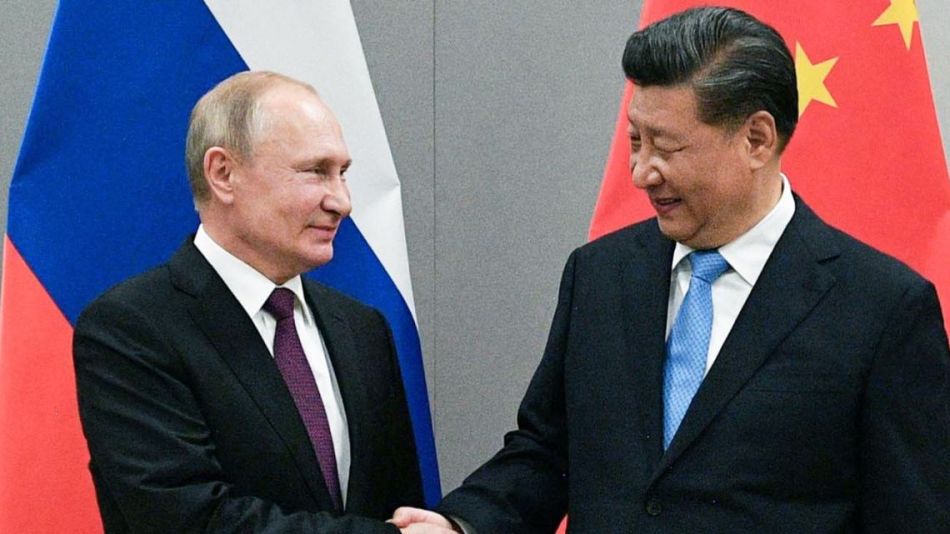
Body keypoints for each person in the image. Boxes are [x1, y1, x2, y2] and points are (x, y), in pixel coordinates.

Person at [392, 6, 950, 533]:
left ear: (756, 139)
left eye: (666, 147)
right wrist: (462, 523)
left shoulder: (881, 309)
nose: (641, 172)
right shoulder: (601, 274)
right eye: (636, 141)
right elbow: (547, 452)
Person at [73, 71, 427, 532]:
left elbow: (399, 507)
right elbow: (190, 521)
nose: (342, 202)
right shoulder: (132, 329)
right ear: (223, 174)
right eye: (315, 171)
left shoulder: (362, 329)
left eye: (342, 173)